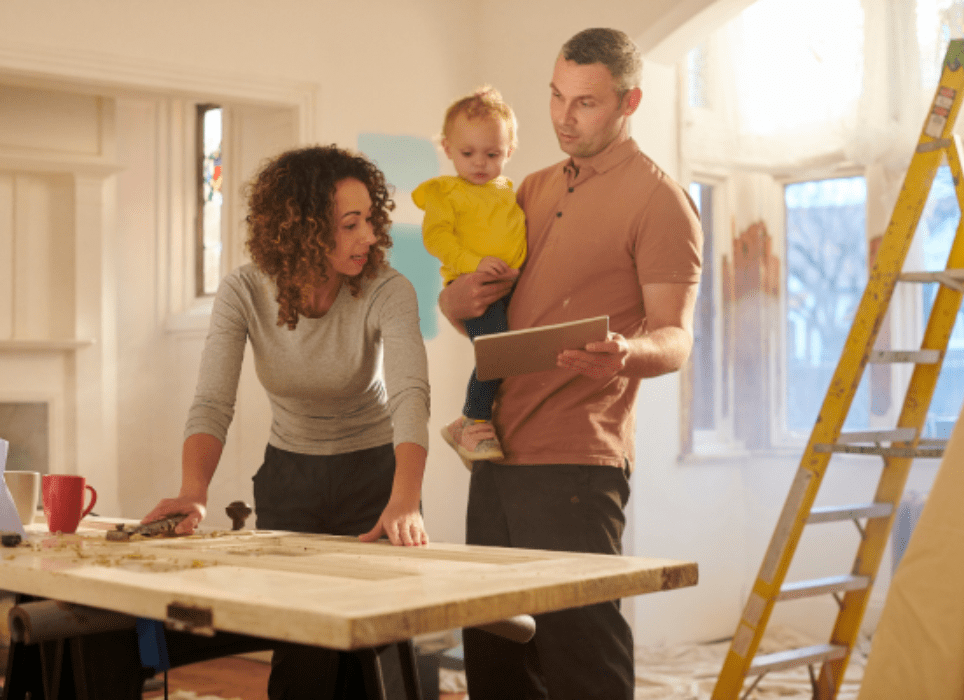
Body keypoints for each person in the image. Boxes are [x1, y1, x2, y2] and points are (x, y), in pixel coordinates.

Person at [438, 28, 703, 700]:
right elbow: (484, 313)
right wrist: (455, 299)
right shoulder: (525, 186)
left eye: (584, 103)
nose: (563, 116)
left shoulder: (660, 201)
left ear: (629, 101)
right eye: (556, 96)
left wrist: (625, 355)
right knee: (494, 655)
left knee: (579, 654)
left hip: (578, 458)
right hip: (495, 451)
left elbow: (676, 338)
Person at [143, 144, 430, 700]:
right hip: (290, 480)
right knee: (303, 667)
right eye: (351, 224)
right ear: (301, 229)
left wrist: (407, 499)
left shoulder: (388, 289)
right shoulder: (244, 291)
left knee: (382, 665)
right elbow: (211, 400)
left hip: (376, 479)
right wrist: (193, 491)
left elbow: (410, 396)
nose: (369, 236)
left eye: (370, 219)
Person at [412, 86, 527, 467]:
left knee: (513, 355)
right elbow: (437, 239)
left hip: (510, 285)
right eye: (467, 153)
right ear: (447, 148)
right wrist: (473, 263)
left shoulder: (510, 190)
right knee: (497, 352)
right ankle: (472, 420)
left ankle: (476, 421)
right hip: (472, 285)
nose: (480, 163)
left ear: (509, 151)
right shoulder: (445, 192)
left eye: (492, 154)